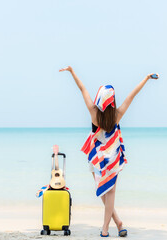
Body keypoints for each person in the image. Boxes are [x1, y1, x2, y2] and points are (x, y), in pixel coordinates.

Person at [59, 66, 158, 237]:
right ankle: (116, 223)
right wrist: (146, 78)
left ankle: (106, 229)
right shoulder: (117, 114)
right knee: (109, 191)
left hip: (96, 157)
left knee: (104, 191)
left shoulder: (93, 112)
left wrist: (72, 72)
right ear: (112, 102)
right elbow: (132, 95)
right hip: (112, 158)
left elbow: (82, 88)